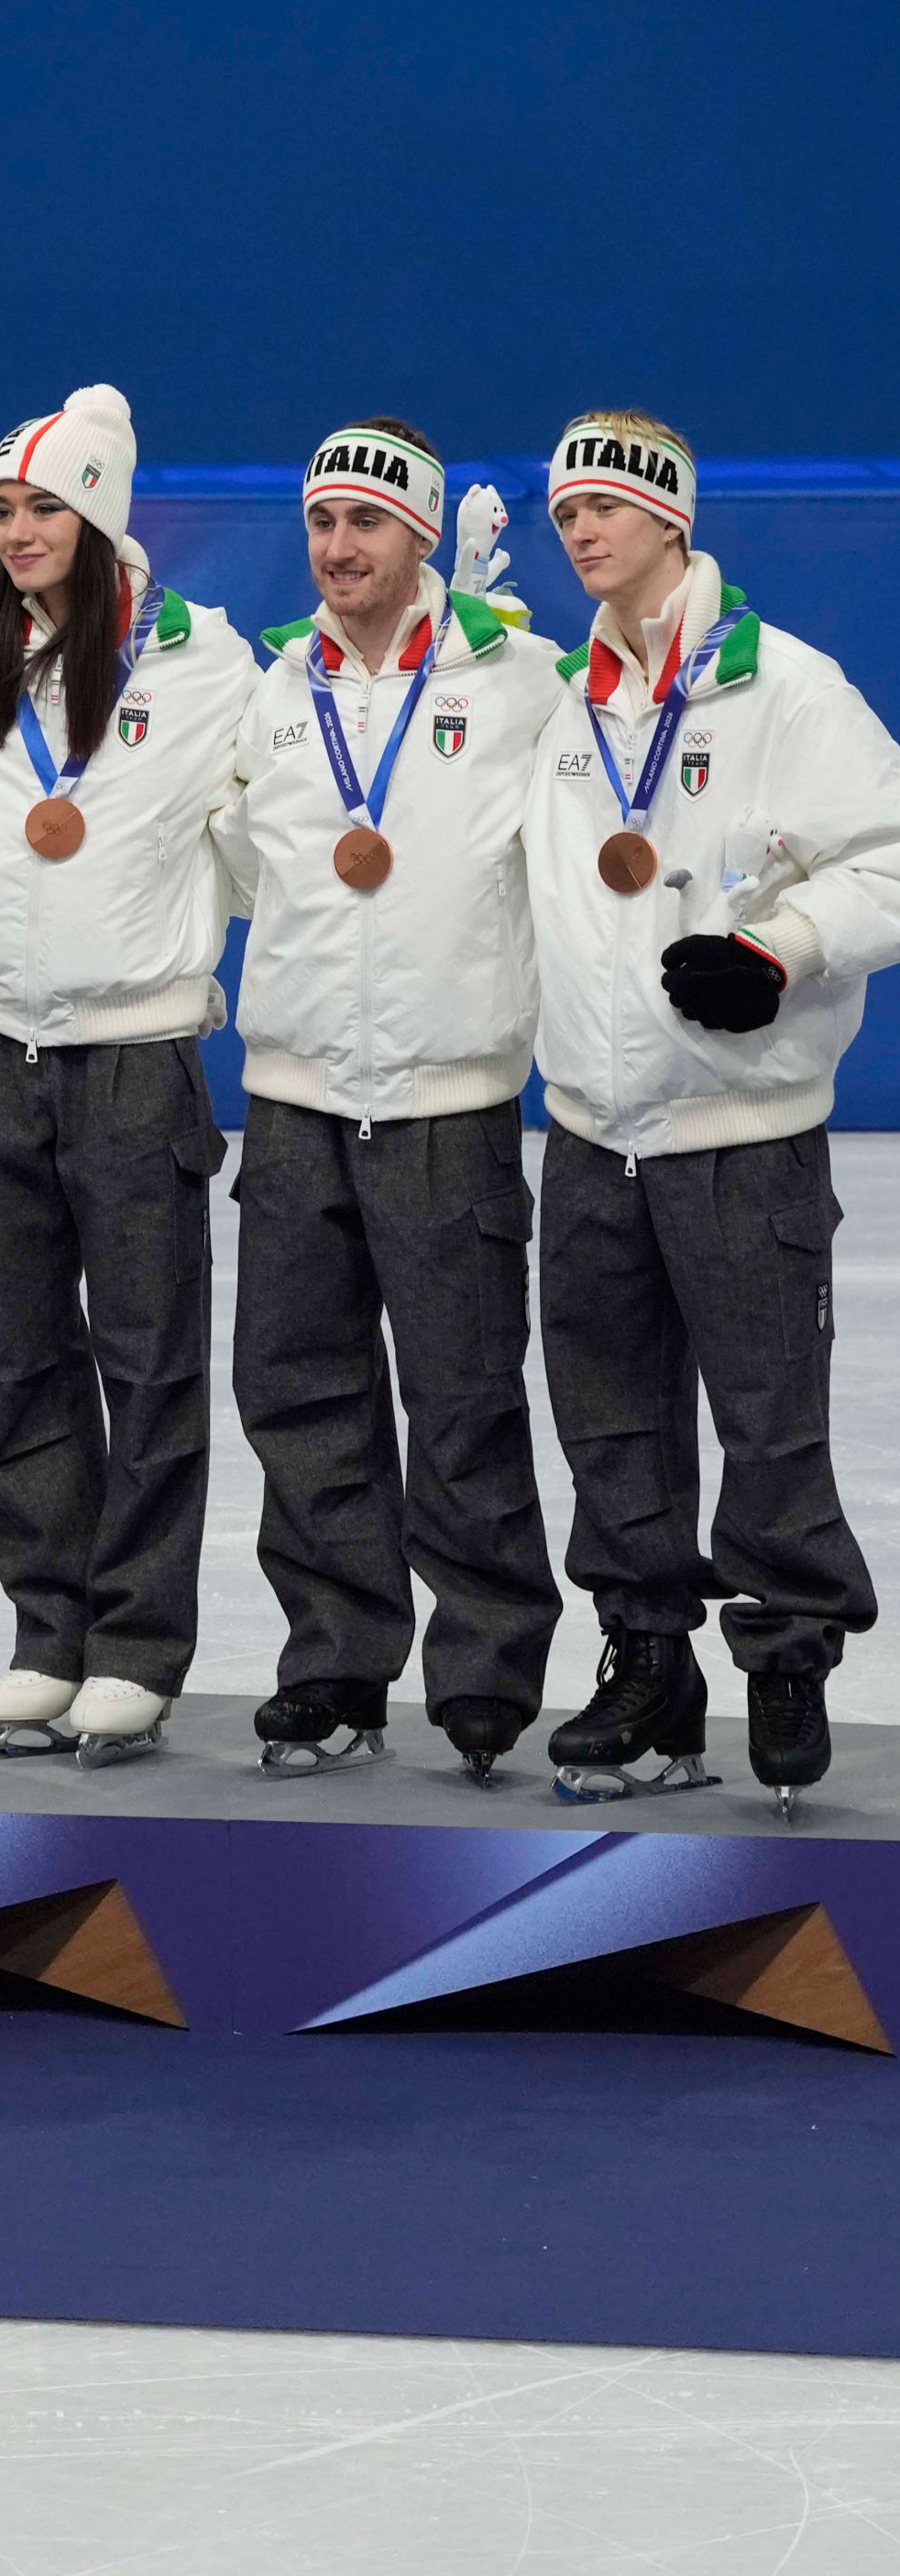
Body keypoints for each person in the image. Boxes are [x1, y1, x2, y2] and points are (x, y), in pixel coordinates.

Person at [525, 409, 900, 1812]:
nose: (581, 529)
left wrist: (780, 950)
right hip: (588, 1126)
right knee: (607, 1424)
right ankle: (646, 1663)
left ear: (671, 519)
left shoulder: (785, 689)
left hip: (741, 1130)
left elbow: (889, 857)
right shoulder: (558, 704)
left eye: (606, 506)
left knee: (767, 1420)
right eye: (566, 512)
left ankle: (787, 1659)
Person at [214, 421, 566, 1781]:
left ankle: (484, 1668)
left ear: (420, 534)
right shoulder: (275, 688)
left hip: (445, 1094)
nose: (336, 546)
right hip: (295, 1095)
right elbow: (245, 860)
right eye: (320, 521)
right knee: (297, 1392)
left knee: (463, 1394)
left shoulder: (519, 682)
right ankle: (335, 1664)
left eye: (365, 521)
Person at [0, 386, 258, 1763]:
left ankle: (137, 1643)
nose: (17, 531)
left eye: (45, 507)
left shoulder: (204, 660)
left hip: (132, 1056)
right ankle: (44, 1629)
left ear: (101, 514)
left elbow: (259, 829)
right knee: (13, 1363)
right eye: (2, 508)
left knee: (148, 1363)